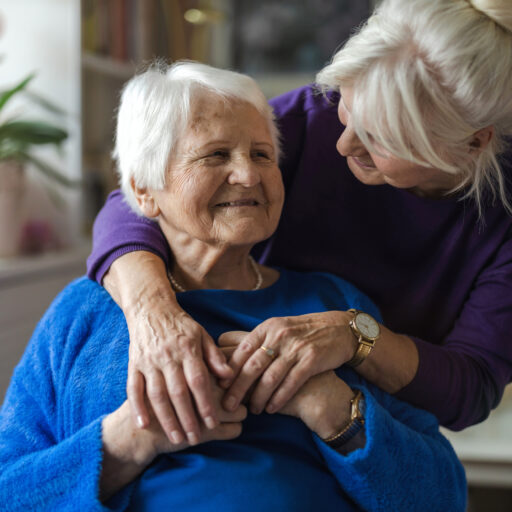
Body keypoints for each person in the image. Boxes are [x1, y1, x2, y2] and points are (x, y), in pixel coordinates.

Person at [0, 62, 466, 511]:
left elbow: (443, 496)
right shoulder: (83, 312)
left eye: (262, 155)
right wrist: (131, 438)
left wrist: (331, 406)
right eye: (216, 154)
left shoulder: (335, 306)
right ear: (143, 189)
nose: (248, 174)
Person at [88, 0, 512, 445]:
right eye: (348, 110)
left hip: (370, 419)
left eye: (380, 138)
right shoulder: (313, 119)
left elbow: (472, 386)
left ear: (472, 144)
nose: (345, 144)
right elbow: (141, 196)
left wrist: (355, 338)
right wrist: (154, 317)